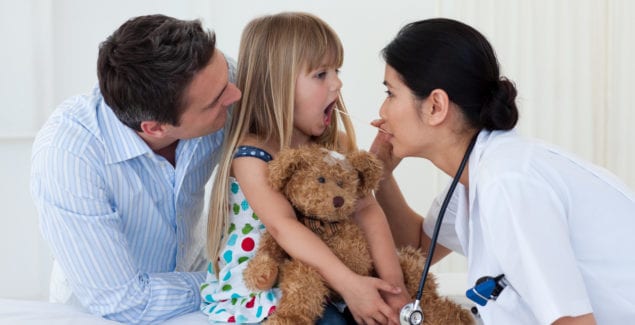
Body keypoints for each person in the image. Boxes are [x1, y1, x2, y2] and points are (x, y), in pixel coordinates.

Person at [370, 18, 635, 325]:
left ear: (435, 107)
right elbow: (416, 246)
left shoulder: (508, 182)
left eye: (391, 94)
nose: (382, 111)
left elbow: (573, 323)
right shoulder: (478, 175)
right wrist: (382, 176)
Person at [200, 12, 409, 325]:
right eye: (321, 74)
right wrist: (349, 284)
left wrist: (395, 290)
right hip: (268, 285)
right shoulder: (252, 156)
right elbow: (284, 227)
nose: (337, 83)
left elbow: (367, 210)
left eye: (336, 70)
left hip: (327, 282)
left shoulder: (335, 146)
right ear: (278, 83)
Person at [30, 14, 241, 324]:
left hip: (200, 295)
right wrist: (234, 279)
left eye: (227, 77)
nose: (236, 95)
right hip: (103, 315)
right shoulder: (69, 155)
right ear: (155, 128)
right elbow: (121, 301)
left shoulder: (214, 81)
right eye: (217, 102)